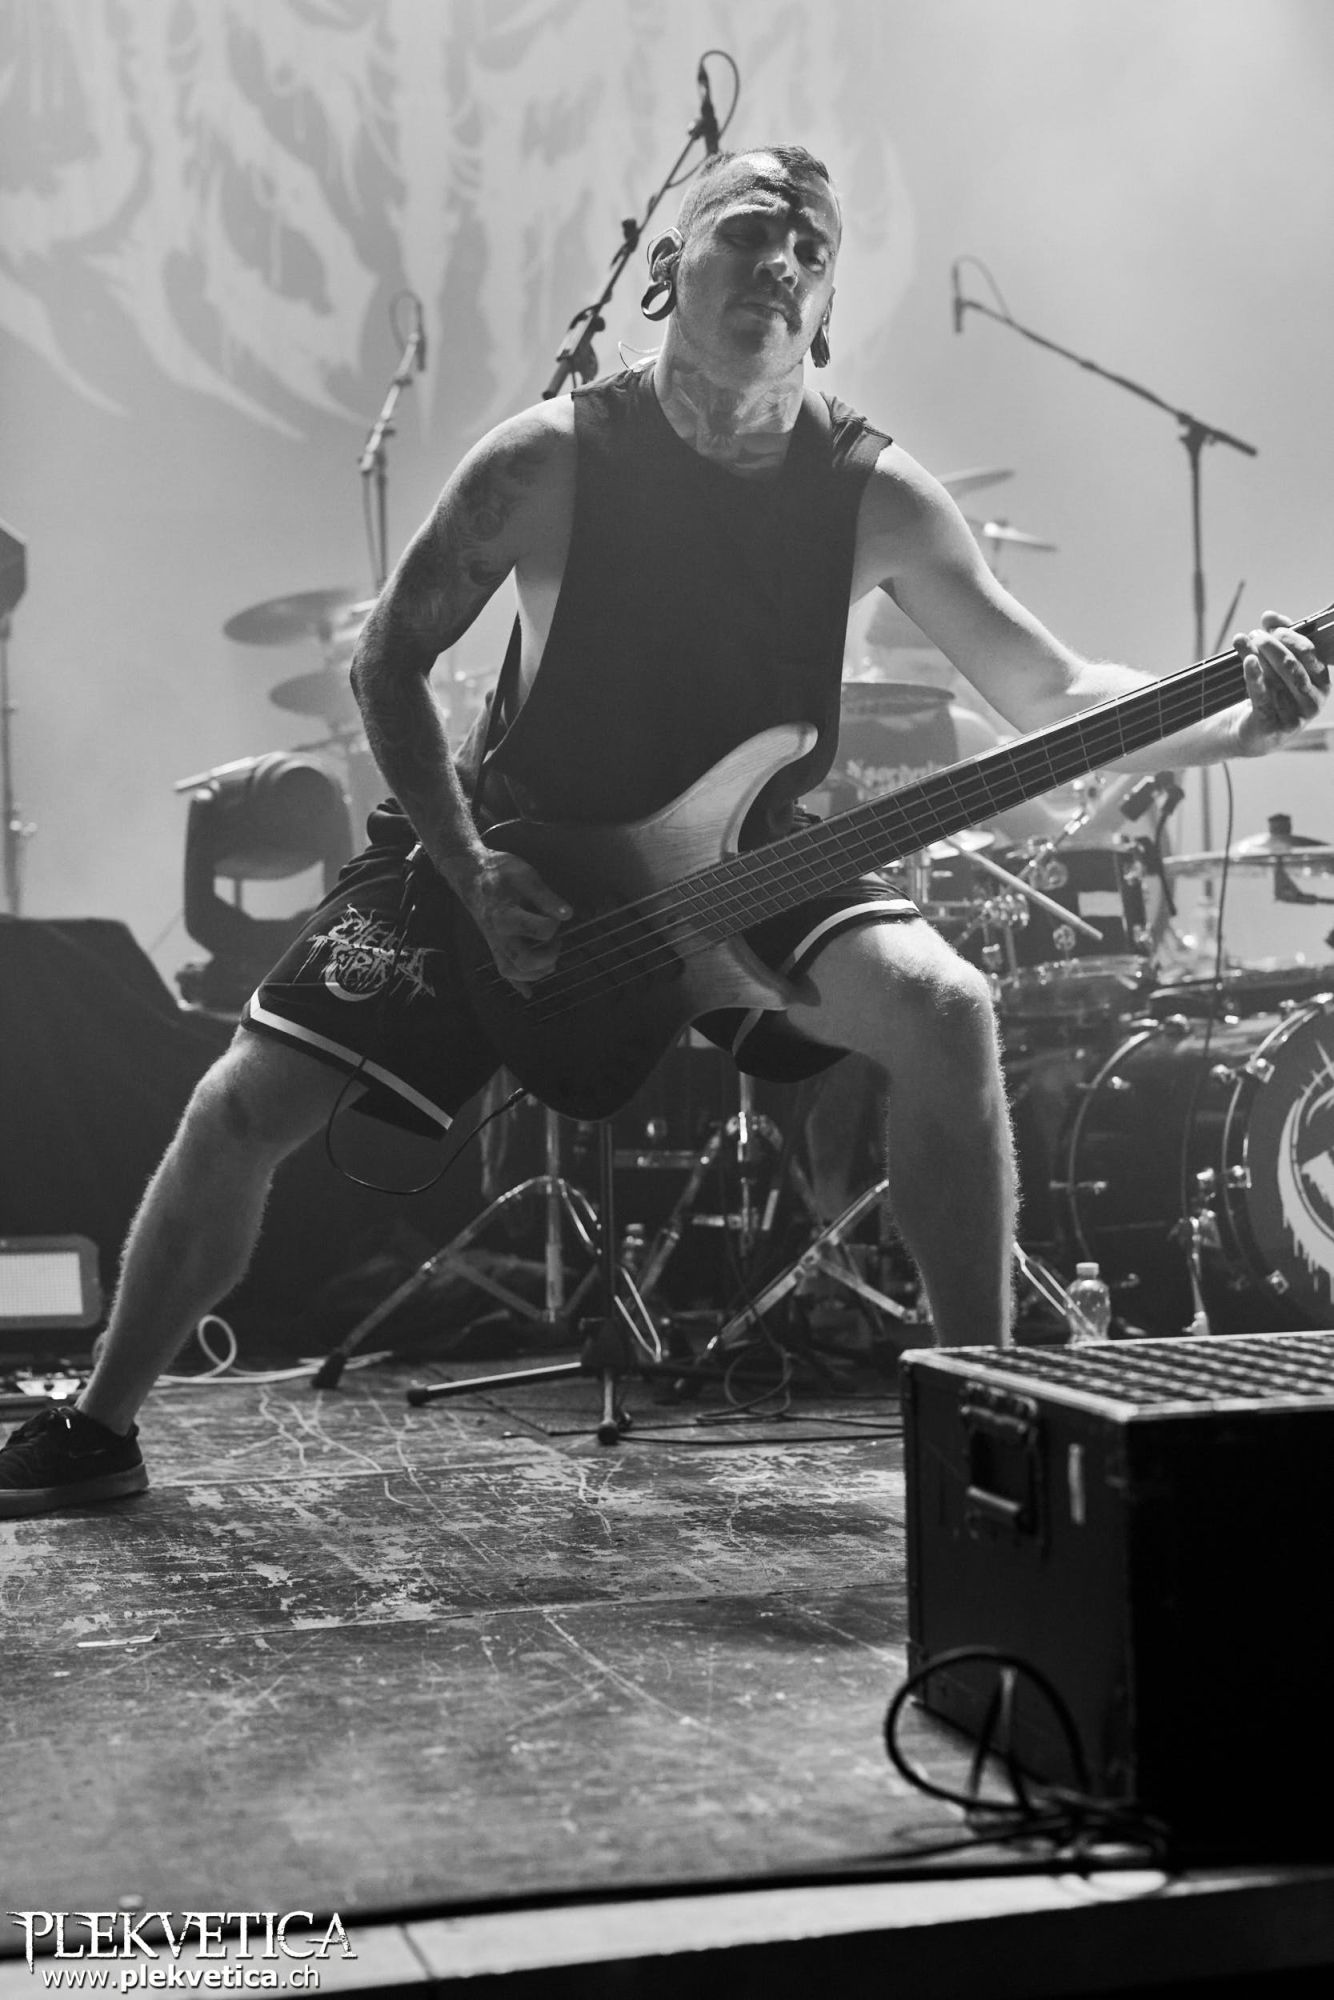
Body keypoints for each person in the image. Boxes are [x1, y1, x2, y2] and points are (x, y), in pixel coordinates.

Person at [0, 144, 1323, 1517]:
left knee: (946, 1008)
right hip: (505, 850)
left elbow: (1052, 695)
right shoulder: (550, 459)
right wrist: (470, 867)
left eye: (811, 250)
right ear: (667, 266)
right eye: (748, 231)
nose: (781, 262)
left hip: (740, 861)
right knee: (243, 1103)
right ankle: (97, 1429)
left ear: (826, 306)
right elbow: (388, 660)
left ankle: (980, 1423)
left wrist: (1242, 716)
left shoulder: (871, 493)